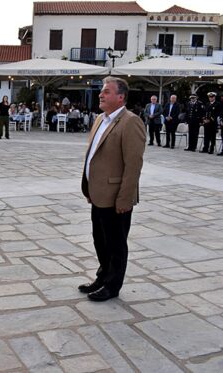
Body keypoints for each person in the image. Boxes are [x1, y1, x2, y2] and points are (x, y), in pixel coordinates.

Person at [80, 76, 146, 302]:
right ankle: (102, 276)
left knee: (116, 244)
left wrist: (125, 199)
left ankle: (112, 285)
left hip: (116, 198)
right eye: (102, 91)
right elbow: (94, 156)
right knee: (100, 239)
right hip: (97, 194)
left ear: (121, 97)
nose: (101, 94)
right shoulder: (100, 119)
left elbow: (133, 164)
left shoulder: (131, 122)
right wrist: (88, 187)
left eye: (106, 92)